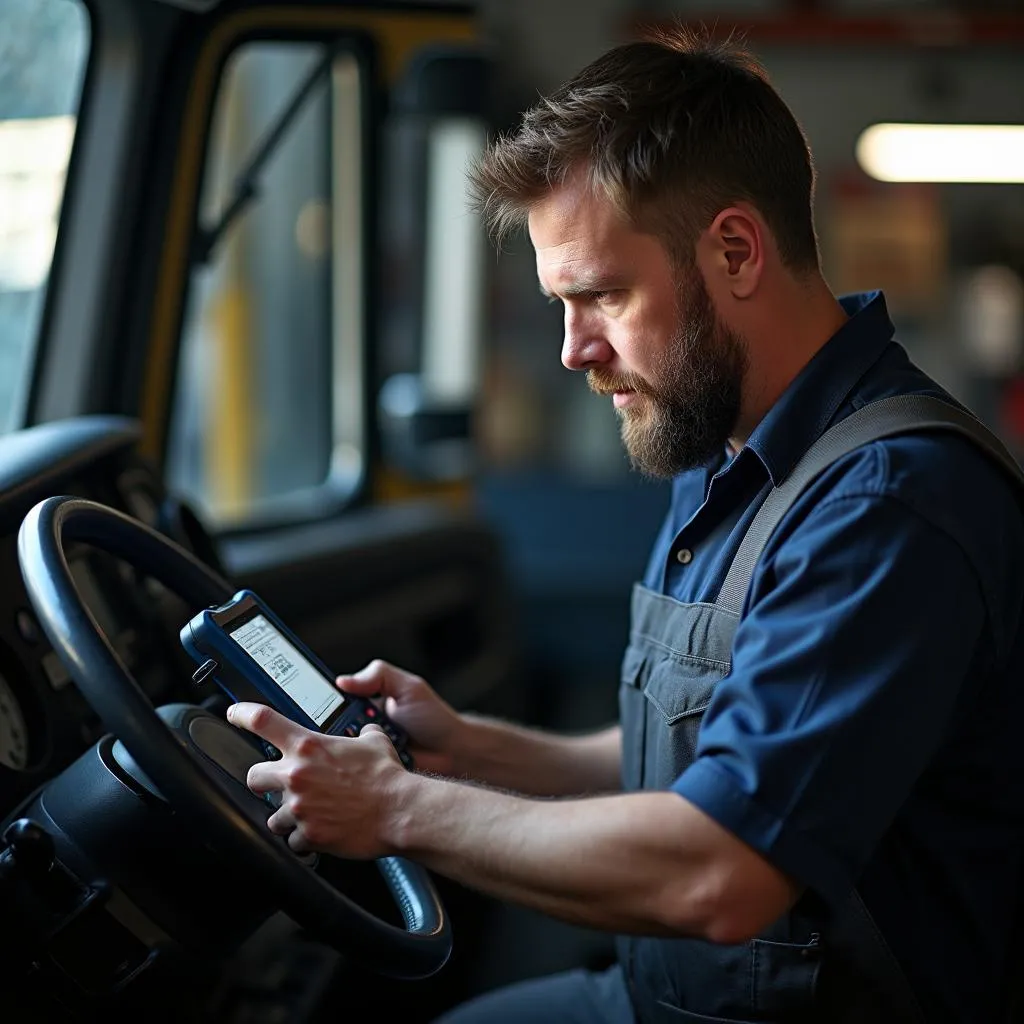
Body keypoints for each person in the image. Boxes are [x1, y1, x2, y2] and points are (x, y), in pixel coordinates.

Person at [227, 27, 1024, 1024]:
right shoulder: (726, 452)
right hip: (661, 994)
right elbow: (706, 747)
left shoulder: (884, 507)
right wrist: (469, 751)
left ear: (734, 250)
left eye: (600, 293)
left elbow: (723, 872)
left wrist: (394, 806)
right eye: (559, 303)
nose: (571, 349)